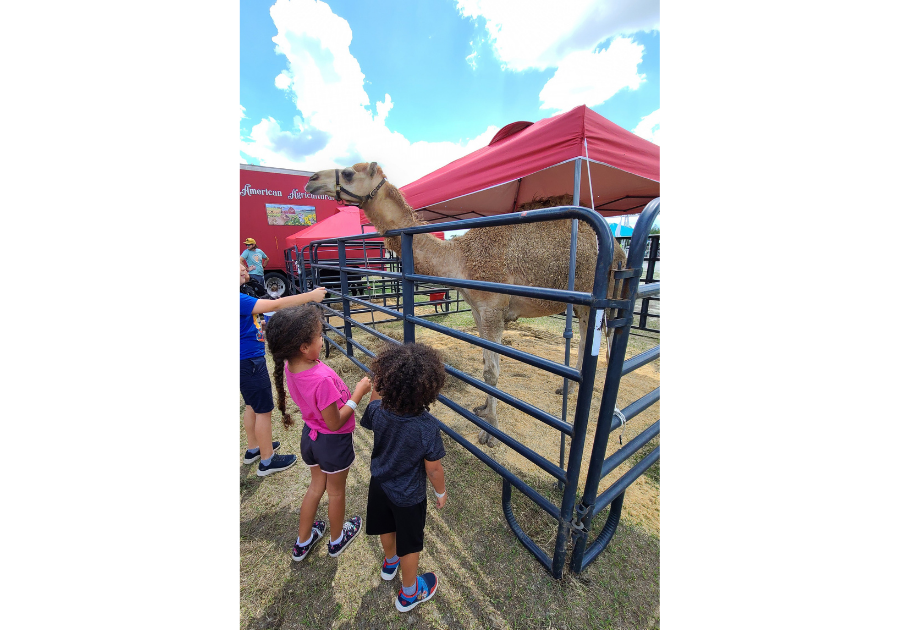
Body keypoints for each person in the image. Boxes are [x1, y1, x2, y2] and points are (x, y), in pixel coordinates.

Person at [265, 304, 372, 561]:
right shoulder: (320, 379)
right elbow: (334, 423)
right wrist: (358, 394)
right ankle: (337, 539)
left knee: (316, 487)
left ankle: (303, 541)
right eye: (318, 335)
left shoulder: (291, 367)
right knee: (335, 492)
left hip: (310, 439)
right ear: (303, 347)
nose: (322, 337)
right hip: (332, 443)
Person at [360, 342, 448, 613]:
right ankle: (410, 593)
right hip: (409, 497)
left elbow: (374, 403)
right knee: (410, 545)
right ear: (429, 389)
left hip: (380, 485)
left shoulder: (378, 411)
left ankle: (389, 563)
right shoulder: (427, 428)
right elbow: (433, 469)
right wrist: (441, 492)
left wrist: (378, 385)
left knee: (386, 528)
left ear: (386, 381)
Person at [240, 262, 327, 476]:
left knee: (251, 405)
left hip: (244, 360)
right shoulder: (237, 299)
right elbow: (275, 306)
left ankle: (254, 448)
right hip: (249, 359)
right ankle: (267, 461)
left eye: (243, 267)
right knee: (263, 410)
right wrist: (310, 296)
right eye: (237, 268)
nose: (243, 270)